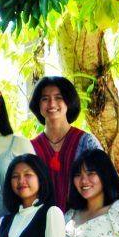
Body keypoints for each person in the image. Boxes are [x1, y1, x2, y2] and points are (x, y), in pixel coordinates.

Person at [28, 76, 103, 209]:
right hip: (41, 223)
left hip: (81, 221)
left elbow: (104, 182)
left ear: (69, 102)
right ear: (37, 104)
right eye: (45, 99)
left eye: (59, 98)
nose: (52, 104)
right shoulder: (29, 148)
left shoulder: (87, 143)